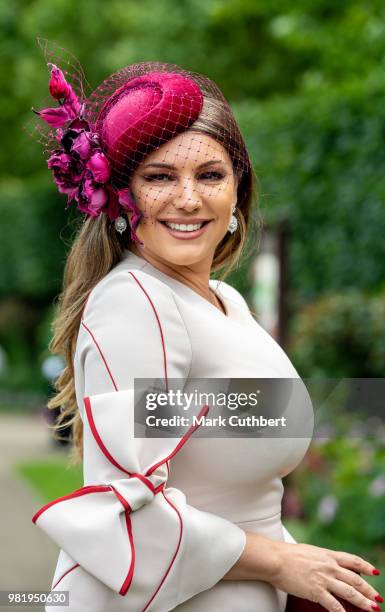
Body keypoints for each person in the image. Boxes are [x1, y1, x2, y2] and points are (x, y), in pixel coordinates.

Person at [30, 40, 382, 612]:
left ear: (238, 192)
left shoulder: (224, 301)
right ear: (123, 197)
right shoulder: (135, 303)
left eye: (211, 175)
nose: (188, 199)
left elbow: (238, 489)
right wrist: (280, 561)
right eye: (160, 176)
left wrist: (302, 565)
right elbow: (127, 509)